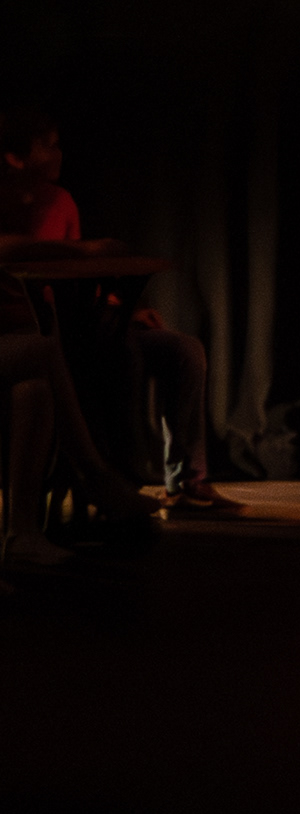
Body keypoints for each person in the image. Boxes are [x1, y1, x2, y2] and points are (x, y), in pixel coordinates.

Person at [1, 110, 231, 514]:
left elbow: (73, 281)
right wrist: (84, 250)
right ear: (15, 158)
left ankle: (186, 482)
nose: (59, 154)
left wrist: (120, 305)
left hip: (73, 320)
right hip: (29, 328)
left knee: (184, 350)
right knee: (122, 352)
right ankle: (118, 478)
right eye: (48, 145)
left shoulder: (62, 202)